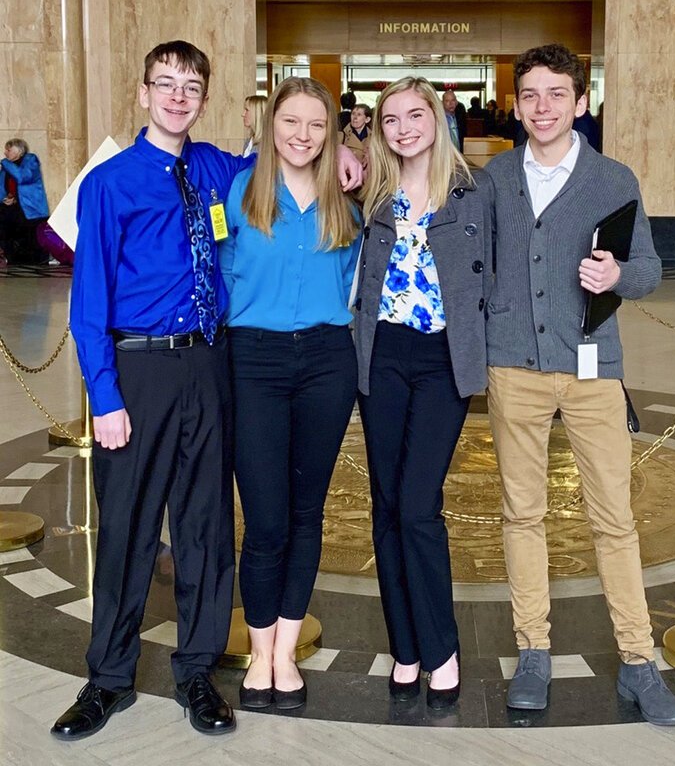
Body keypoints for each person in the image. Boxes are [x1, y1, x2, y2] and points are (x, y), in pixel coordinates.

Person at [52, 43, 362, 743]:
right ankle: (107, 678)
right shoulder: (109, 183)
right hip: (138, 369)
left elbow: (291, 163)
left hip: (211, 364)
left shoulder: (221, 169)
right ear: (142, 95)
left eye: (190, 86)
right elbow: (87, 300)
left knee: (205, 528)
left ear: (204, 98)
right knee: (129, 528)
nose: (177, 96)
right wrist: (103, 396)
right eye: (164, 84)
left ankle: (197, 670)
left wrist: (350, 158)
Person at [485, 44, 675, 727]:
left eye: (555, 94)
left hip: (593, 367)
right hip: (513, 367)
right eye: (530, 95)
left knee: (613, 518)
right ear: (516, 104)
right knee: (522, 514)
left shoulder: (611, 179)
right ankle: (532, 651)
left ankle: (636, 660)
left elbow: (650, 268)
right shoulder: (492, 178)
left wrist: (617, 278)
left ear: (579, 102)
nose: (542, 107)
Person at [221, 77, 360, 712]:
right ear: (268, 124)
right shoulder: (240, 189)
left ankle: (283, 653)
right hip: (254, 360)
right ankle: (258, 651)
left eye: (315, 125)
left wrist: (355, 153)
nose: (301, 136)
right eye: (290, 122)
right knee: (267, 519)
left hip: (328, 362)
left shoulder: (345, 202)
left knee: (307, 514)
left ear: (331, 132)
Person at [354, 76, 494, 710]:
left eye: (415, 114)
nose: (404, 127)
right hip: (382, 355)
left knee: (416, 505)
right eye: (390, 119)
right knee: (386, 506)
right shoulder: (374, 195)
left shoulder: (472, 191)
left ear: (437, 119)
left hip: (442, 360)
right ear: (378, 130)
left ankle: (441, 649)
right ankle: (405, 647)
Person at [0, 138, 49, 265]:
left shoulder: (30, 160)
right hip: (12, 208)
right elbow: (1, 187)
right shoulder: (6, 167)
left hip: (31, 209)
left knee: (33, 242)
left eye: (8, 150)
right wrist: (4, 198)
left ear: (17, 150)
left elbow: (23, 177)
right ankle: (12, 259)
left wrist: (5, 162)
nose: (5, 153)